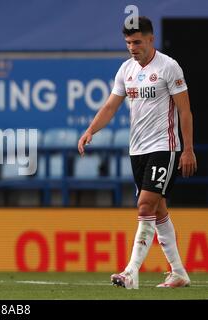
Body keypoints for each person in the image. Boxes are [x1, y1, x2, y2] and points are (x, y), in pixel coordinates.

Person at [78, 16, 196, 289]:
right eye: (129, 42)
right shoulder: (126, 70)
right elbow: (110, 106)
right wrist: (90, 130)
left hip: (163, 148)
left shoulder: (169, 67)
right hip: (138, 150)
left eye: (137, 42)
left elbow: (185, 110)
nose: (132, 47)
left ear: (151, 39)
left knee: (145, 205)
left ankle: (131, 272)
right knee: (159, 210)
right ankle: (178, 272)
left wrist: (187, 149)